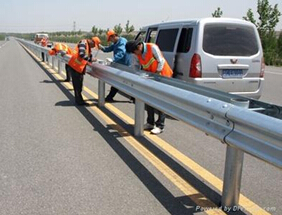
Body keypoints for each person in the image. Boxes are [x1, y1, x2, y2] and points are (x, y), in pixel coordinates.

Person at [126, 39, 173, 135]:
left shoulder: (152, 47)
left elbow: (161, 61)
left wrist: (157, 74)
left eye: (135, 51)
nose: (135, 54)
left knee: (160, 100)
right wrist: (138, 74)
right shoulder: (135, 53)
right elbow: (135, 66)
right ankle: (150, 123)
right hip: (150, 76)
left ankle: (160, 125)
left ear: (139, 46)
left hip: (162, 75)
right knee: (148, 99)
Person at [99, 30, 131, 102]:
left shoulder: (122, 41)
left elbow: (121, 52)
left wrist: (113, 59)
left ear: (114, 36)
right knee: (118, 81)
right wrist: (101, 48)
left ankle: (134, 98)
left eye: (110, 39)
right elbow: (108, 49)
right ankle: (110, 97)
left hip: (126, 65)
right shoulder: (116, 43)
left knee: (127, 82)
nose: (110, 41)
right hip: (120, 65)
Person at [68, 37, 101, 106]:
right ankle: (79, 101)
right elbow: (82, 54)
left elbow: (87, 54)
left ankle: (79, 100)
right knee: (77, 86)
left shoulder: (87, 45)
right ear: (92, 41)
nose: (93, 47)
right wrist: (91, 59)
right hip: (75, 67)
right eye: (94, 45)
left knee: (79, 85)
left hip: (77, 67)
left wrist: (90, 58)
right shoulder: (84, 43)